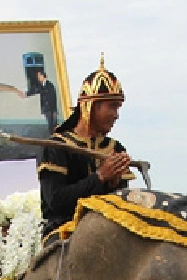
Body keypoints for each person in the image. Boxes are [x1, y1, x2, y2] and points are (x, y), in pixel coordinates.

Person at [37, 55, 134, 236]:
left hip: (107, 232)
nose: (116, 115)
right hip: (65, 233)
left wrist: (114, 184)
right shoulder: (56, 146)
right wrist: (100, 177)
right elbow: (56, 201)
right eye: (112, 107)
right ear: (91, 106)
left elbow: (121, 205)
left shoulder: (116, 148)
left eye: (118, 108)